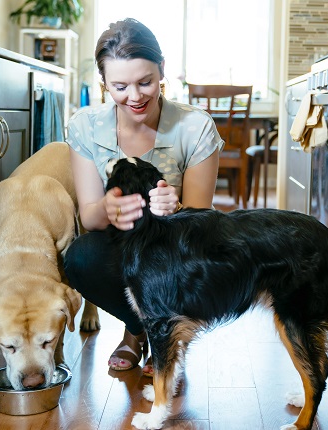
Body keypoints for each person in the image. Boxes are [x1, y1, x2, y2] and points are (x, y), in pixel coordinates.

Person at [63, 18, 222, 376]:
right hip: (120, 251)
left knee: (177, 261)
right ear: (103, 82)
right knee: (81, 258)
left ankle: (166, 333)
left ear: (162, 70)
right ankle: (136, 328)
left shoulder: (195, 127)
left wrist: (178, 209)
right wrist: (106, 209)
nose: (134, 97)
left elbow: (203, 227)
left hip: (176, 253)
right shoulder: (86, 125)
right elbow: (88, 218)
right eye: (120, 86)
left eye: (145, 82)